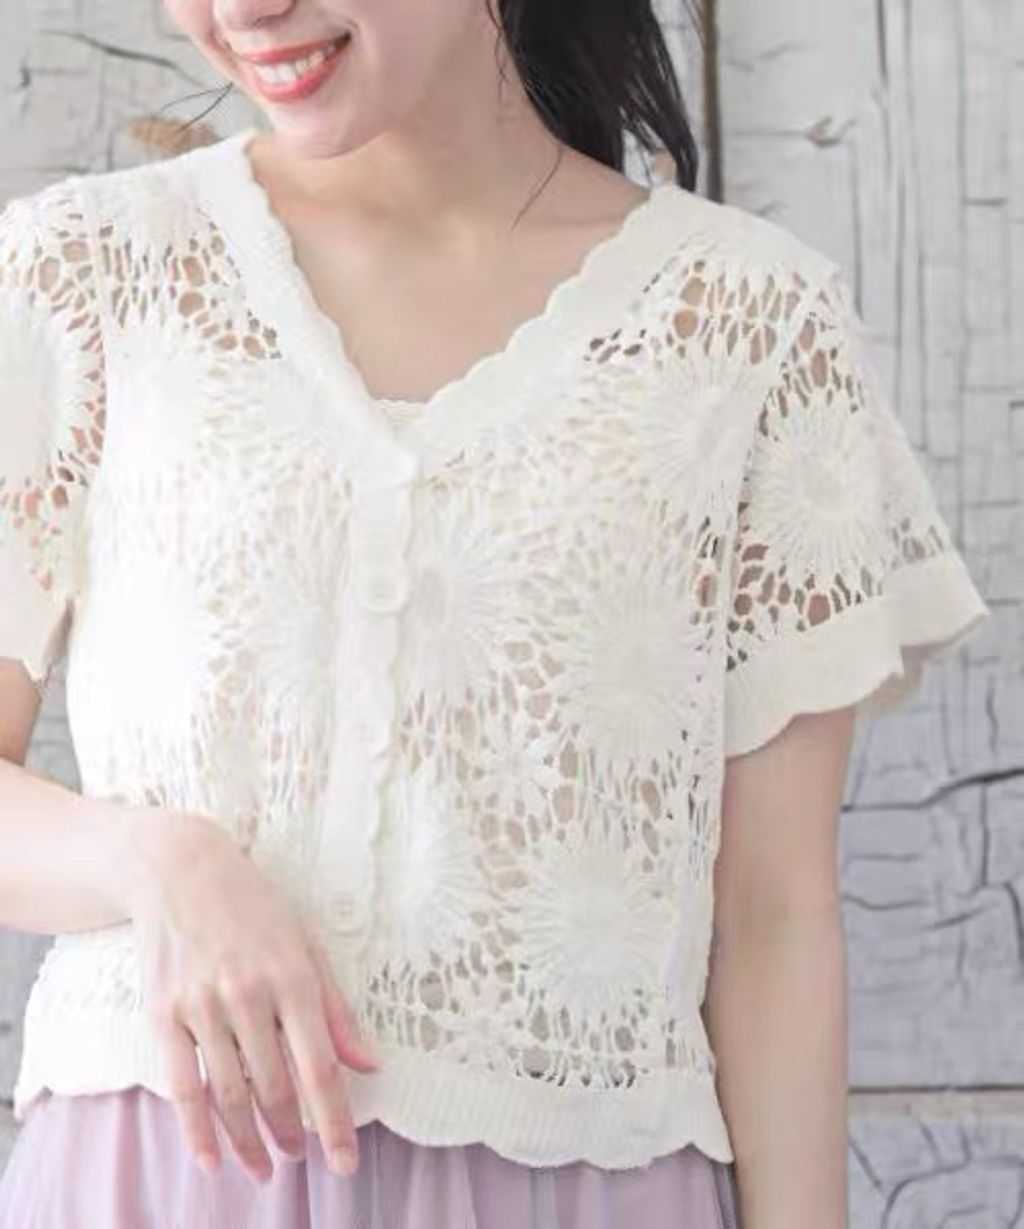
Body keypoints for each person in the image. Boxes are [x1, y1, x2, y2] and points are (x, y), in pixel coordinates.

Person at [0, 0, 991, 1226]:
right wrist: (154, 862)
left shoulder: (746, 325)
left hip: (586, 1186)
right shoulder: (88, 271)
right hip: (156, 1181)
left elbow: (773, 921)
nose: (241, 9)